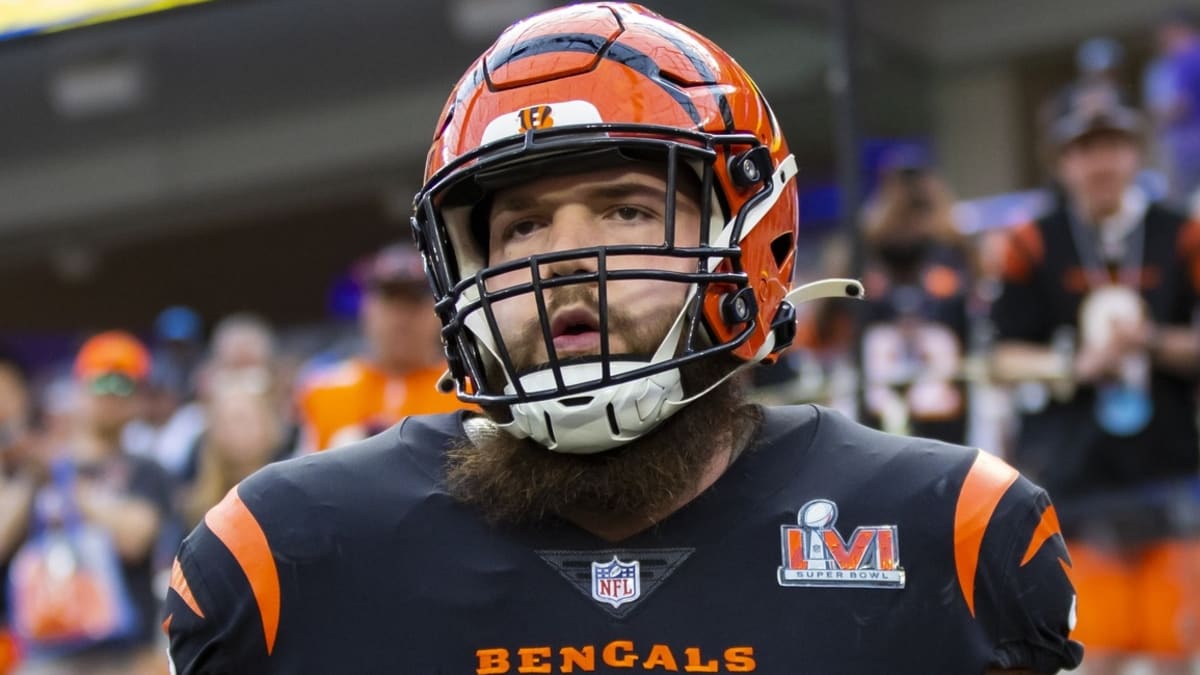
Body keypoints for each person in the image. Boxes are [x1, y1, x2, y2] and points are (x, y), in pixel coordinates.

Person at [165, 4, 1081, 673]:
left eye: (628, 210)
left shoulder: (951, 533)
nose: (564, 258)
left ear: (745, 242)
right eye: (520, 226)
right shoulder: (287, 555)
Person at [991, 86, 1200, 669]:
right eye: (1084, 149)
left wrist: (1152, 342)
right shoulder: (1031, 242)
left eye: (1111, 145)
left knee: (1175, 649)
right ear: (1062, 161)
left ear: (1135, 152)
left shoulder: (1180, 233)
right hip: (1075, 474)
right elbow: (1001, 357)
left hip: (1169, 467)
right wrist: (1074, 366)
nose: (1099, 163)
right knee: (1094, 652)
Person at [10, 332, 174, 675]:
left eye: (124, 386)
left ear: (140, 399)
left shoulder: (147, 470)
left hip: (122, 653)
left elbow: (135, 539)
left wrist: (67, 478)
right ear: (78, 389)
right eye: (100, 383)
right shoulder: (35, 465)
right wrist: (30, 478)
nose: (111, 396)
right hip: (45, 649)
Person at [295, 243, 462, 451]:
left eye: (414, 302)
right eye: (389, 301)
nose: (401, 318)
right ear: (366, 309)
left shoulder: (467, 390)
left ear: (439, 314)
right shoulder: (324, 390)